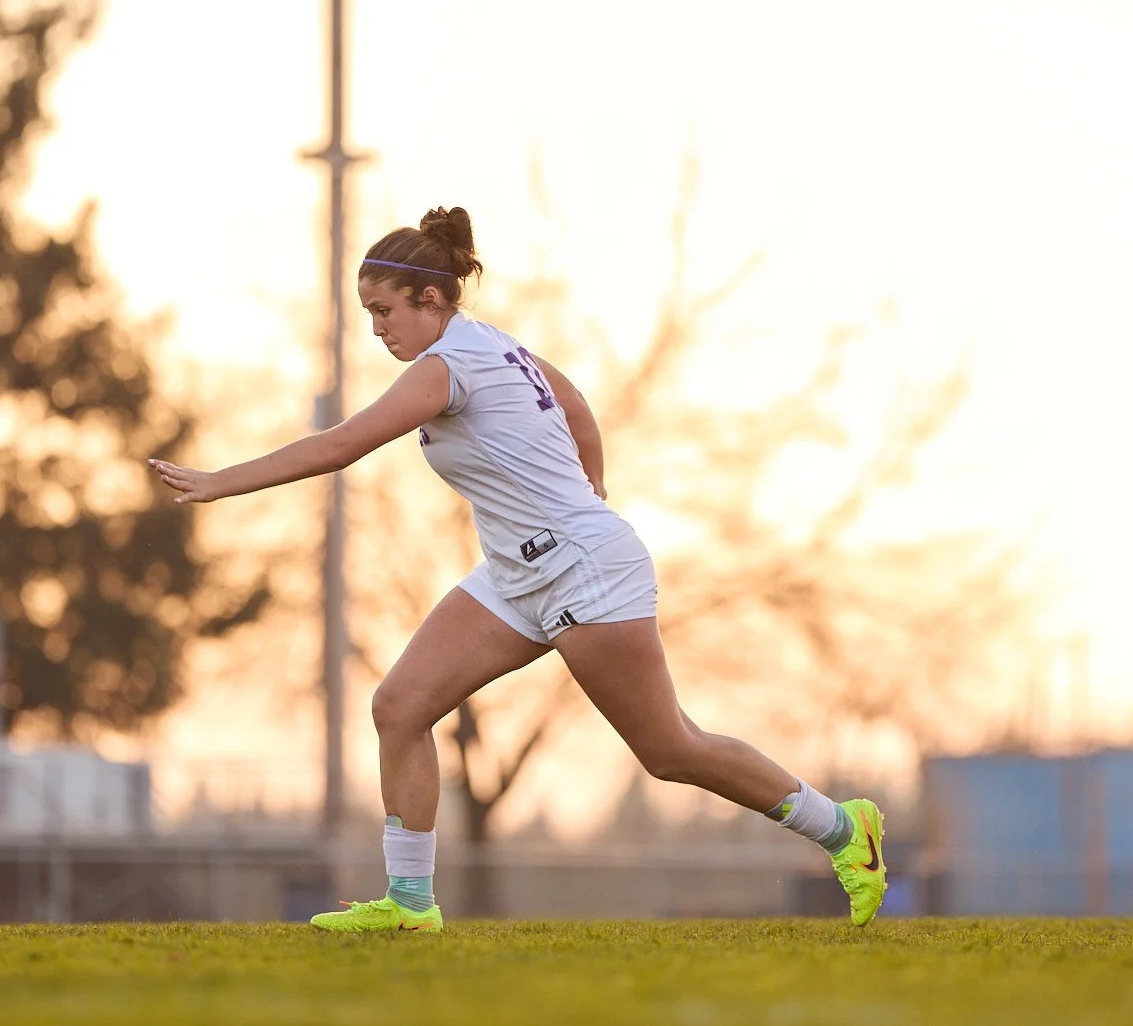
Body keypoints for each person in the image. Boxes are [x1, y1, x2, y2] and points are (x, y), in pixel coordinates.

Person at [150, 207, 886, 931]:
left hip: (584, 571)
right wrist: (588, 490)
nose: (377, 329)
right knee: (400, 707)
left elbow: (343, 445)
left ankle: (845, 831)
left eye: (385, 311)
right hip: (516, 574)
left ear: (431, 300)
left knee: (669, 751)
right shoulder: (497, 346)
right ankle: (409, 904)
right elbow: (579, 413)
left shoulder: (446, 365)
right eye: (368, 315)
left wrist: (223, 480)